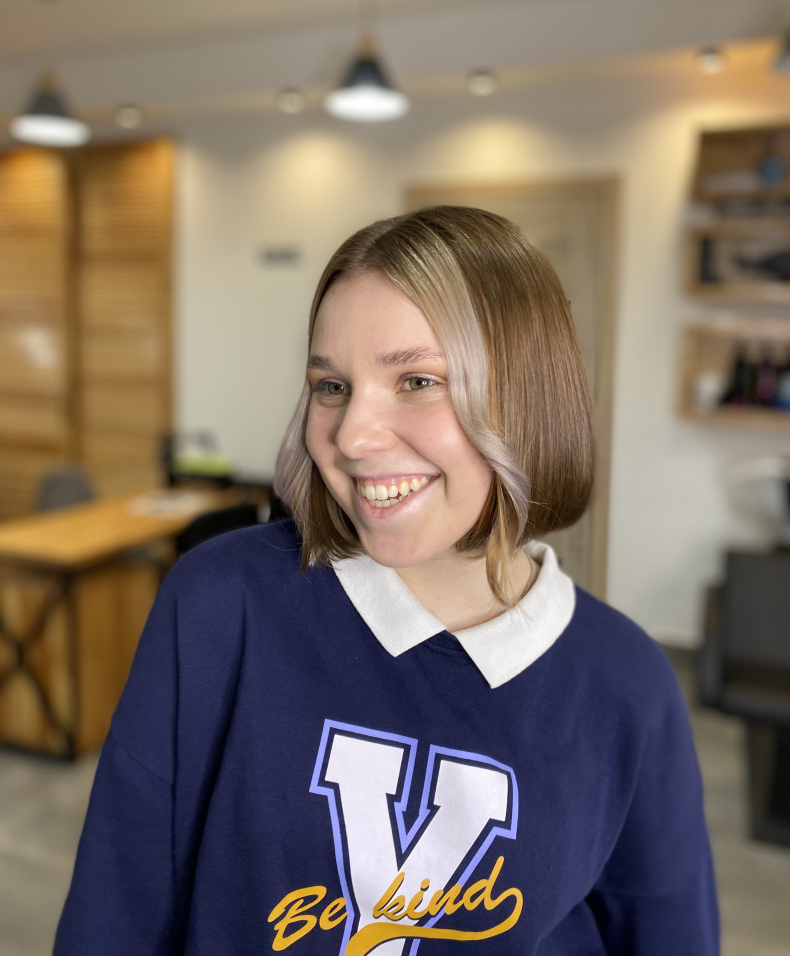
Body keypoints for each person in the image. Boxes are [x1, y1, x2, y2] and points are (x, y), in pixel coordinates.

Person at [55, 205, 719, 955]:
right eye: (332, 386)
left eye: (417, 380)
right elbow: (115, 913)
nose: (351, 436)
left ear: (529, 397)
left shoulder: (628, 685)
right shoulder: (219, 605)